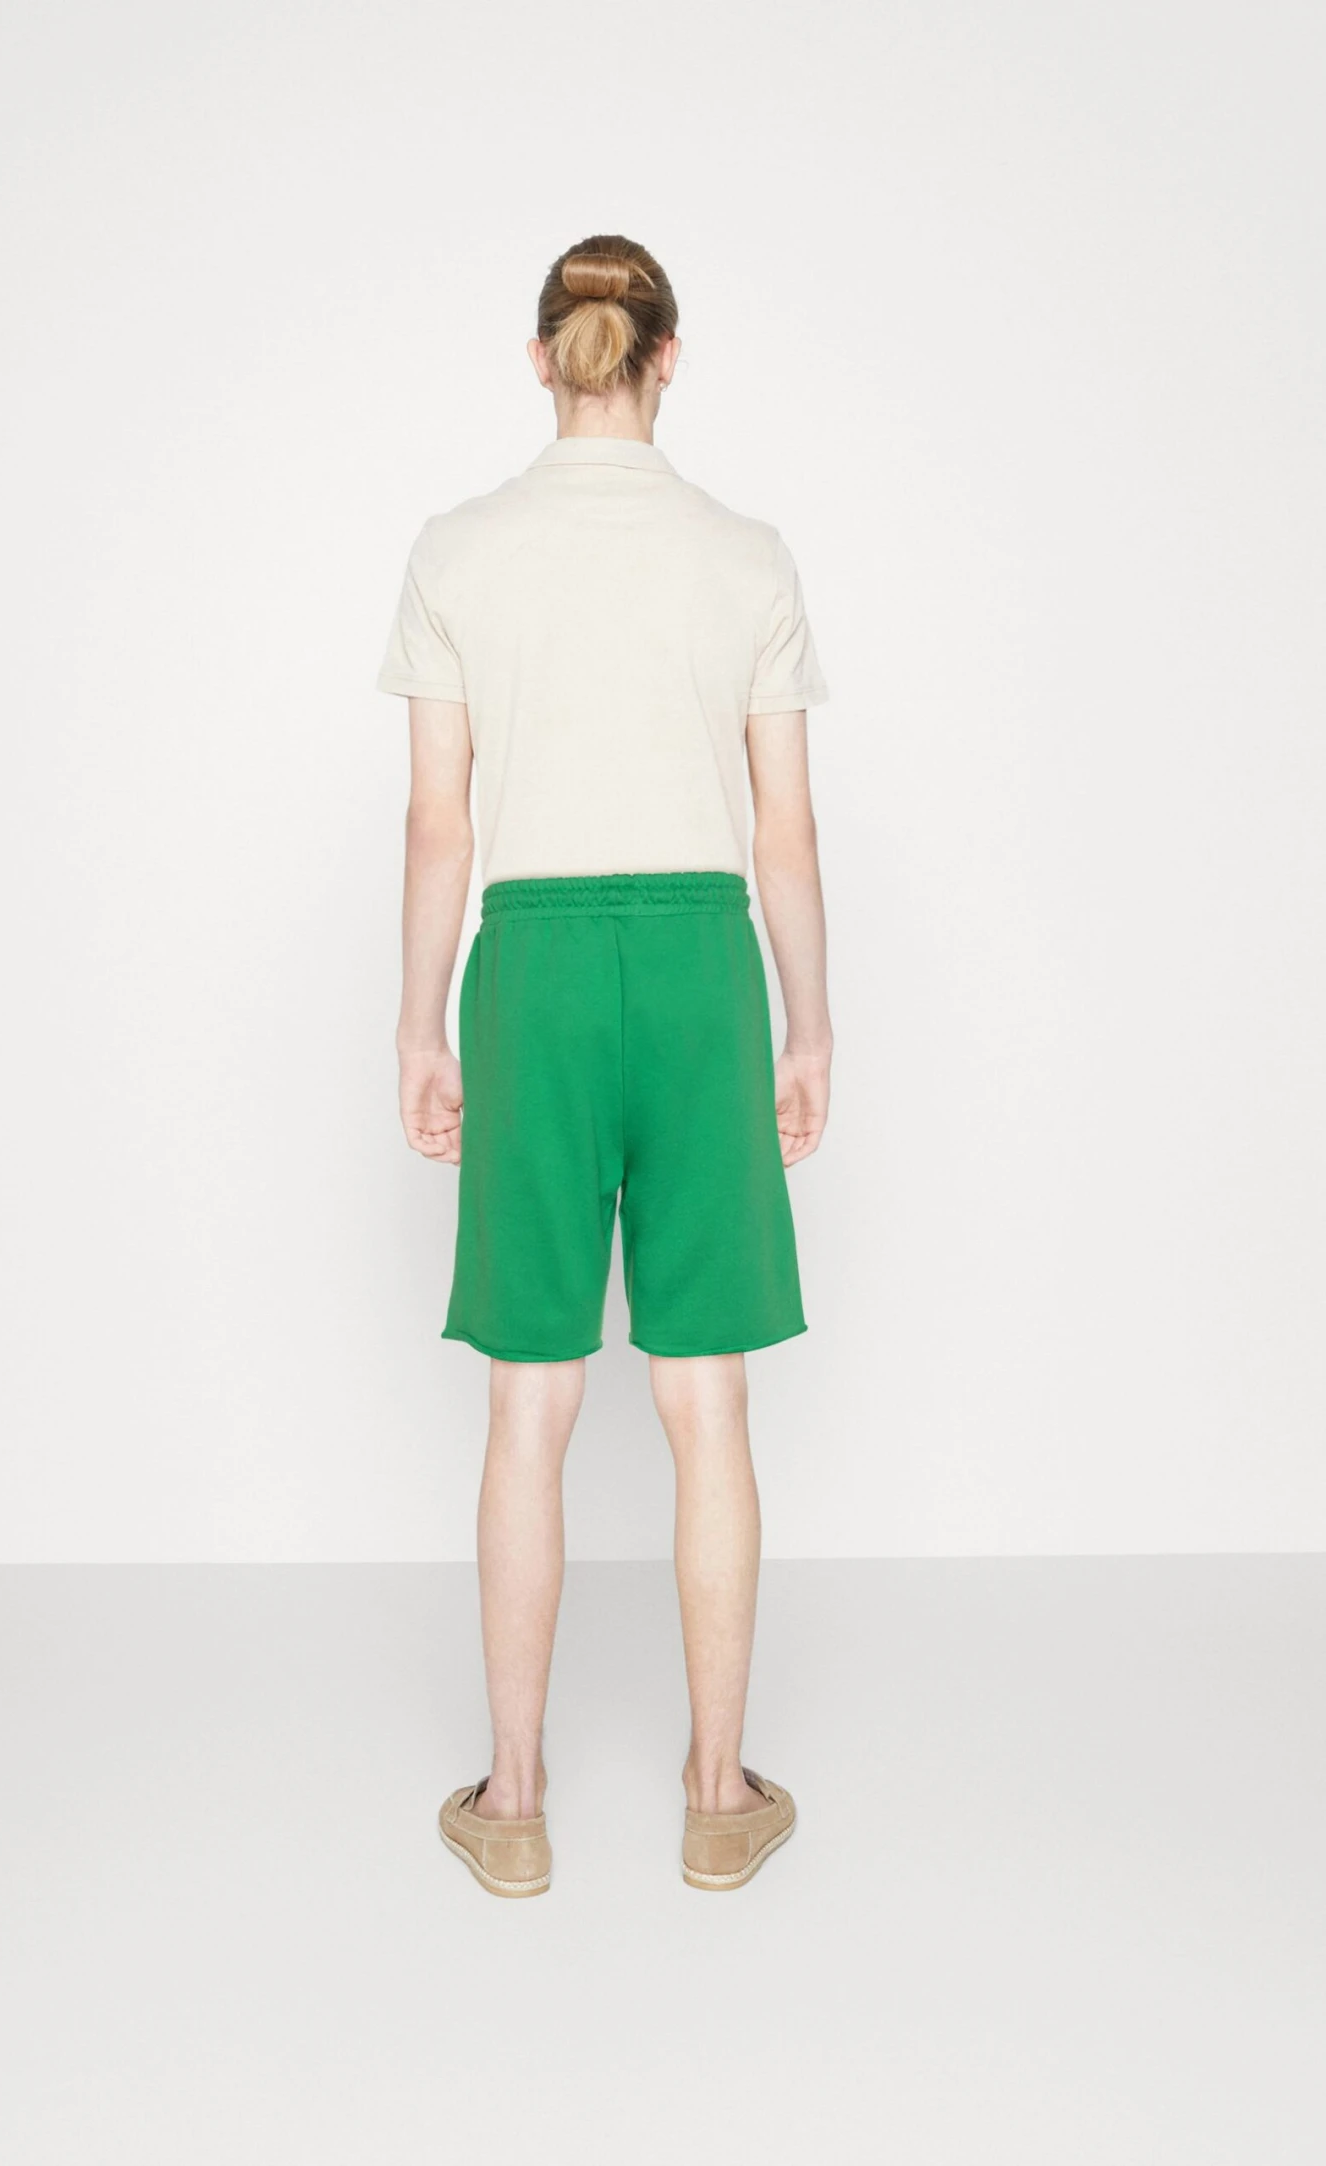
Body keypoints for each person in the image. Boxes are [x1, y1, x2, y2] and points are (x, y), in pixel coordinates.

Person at [377, 234, 833, 1897]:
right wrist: (809, 1022)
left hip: (538, 970)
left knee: (530, 1402)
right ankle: (718, 1793)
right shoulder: (746, 556)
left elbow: (439, 822)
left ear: (541, 358)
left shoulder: (458, 550)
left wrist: (422, 1022)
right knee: (707, 1400)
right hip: (702, 965)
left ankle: (512, 1803)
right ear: (667, 356)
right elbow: (785, 827)